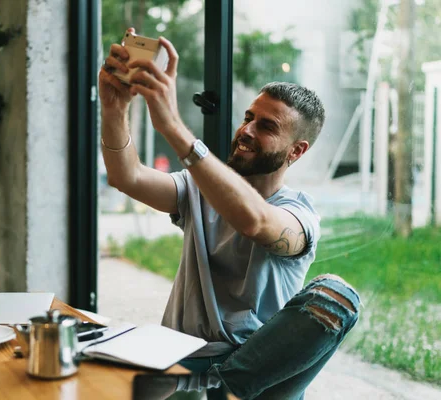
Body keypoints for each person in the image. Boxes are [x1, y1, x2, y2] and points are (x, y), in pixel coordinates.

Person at [99, 28, 361, 399]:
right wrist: (114, 108)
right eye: (248, 117)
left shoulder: (298, 214)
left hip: (257, 372)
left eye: (267, 126)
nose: (246, 130)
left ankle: (226, 388)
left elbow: (255, 222)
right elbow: (126, 176)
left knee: (339, 295)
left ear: (296, 151)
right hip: (182, 358)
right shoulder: (197, 188)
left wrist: (172, 125)